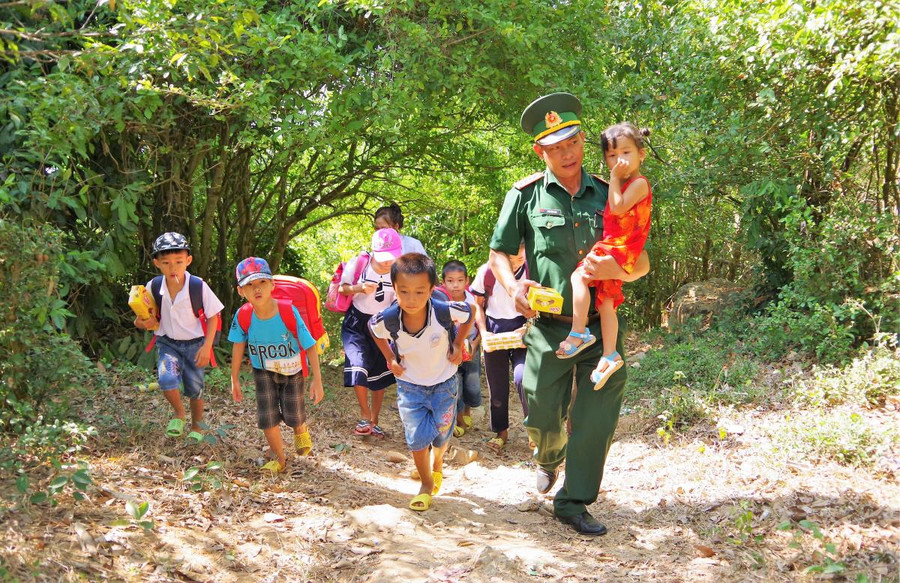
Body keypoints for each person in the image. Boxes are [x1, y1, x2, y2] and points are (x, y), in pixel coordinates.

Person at [488, 93, 649, 536]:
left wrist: (620, 270)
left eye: (573, 142)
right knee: (540, 411)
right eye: (555, 147)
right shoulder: (524, 195)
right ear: (540, 151)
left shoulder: (611, 190)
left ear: (582, 141)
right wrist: (512, 284)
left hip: (602, 330)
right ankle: (548, 455)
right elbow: (498, 253)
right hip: (547, 330)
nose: (567, 153)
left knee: (596, 422)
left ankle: (573, 501)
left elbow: (642, 260)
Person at [369, 254, 474, 511]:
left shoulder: (443, 310)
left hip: (445, 384)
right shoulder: (389, 319)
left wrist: (458, 345)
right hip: (410, 386)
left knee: (441, 435)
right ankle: (426, 485)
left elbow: (470, 313)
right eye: (404, 291)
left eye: (419, 291)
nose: (411, 299)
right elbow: (373, 330)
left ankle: (438, 462)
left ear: (431, 289)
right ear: (394, 288)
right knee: (416, 438)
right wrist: (391, 359)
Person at [556, 123, 652, 391]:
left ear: (641, 154)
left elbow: (619, 206)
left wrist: (613, 178)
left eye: (626, 152)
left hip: (620, 246)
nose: (619, 160)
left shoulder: (639, 183)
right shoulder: (623, 183)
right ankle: (610, 354)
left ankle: (578, 331)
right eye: (611, 155)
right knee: (607, 301)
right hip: (619, 246)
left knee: (579, 277)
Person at [228, 257, 325, 473]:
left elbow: (309, 345)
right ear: (240, 291)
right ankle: (279, 459)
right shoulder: (243, 315)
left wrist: (317, 380)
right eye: (249, 285)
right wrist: (234, 378)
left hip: (292, 370)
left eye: (262, 282)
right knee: (268, 416)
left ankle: (300, 428)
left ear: (272, 284)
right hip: (263, 371)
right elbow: (237, 345)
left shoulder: (288, 311)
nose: (257, 289)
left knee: (293, 414)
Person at [134, 232, 223, 437]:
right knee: (166, 379)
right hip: (168, 343)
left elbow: (213, 317)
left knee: (195, 388)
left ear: (188, 261)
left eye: (178, 261)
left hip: (195, 344)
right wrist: (141, 321)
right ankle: (179, 413)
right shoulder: (153, 286)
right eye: (166, 262)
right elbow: (143, 317)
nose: (173, 267)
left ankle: (197, 426)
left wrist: (207, 347)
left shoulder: (198, 286)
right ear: (157, 263)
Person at [340, 228, 403, 438]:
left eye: (391, 258)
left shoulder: (400, 270)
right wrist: (359, 288)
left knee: (379, 375)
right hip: (356, 323)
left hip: (382, 325)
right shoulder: (360, 263)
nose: (387, 262)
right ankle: (364, 415)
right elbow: (342, 288)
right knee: (357, 365)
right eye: (383, 258)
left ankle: (374, 421)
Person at [469, 244, 529, 452]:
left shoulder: (531, 270)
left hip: (522, 328)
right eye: (514, 258)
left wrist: (527, 328)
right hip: (494, 328)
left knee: (525, 379)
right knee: (497, 385)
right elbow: (477, 304)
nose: (519, 262)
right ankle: (500, 432)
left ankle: (534, 429)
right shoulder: (487, 272)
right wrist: (483, 332)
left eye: (522, 257)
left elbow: (541, 305)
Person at [440, 260, 482, 437]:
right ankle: (458, 420)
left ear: (467, 281)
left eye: (459, 280)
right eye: (450, 281)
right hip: (451, 349)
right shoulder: (441, 301)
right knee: (454, 383)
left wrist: (476, 343)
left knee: (472, 381)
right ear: (443, 282)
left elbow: (481, 324)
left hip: (472, 345)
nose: (455, 285)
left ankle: (467, 412)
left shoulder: (472, 300)